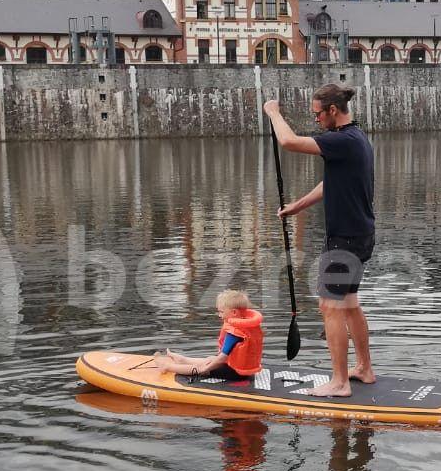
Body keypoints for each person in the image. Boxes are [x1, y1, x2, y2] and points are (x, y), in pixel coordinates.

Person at [262, 82, 375, 398]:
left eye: (317, 114)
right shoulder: (357, 139)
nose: (315, 120)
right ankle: (364, 369)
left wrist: (272, 112)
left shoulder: (343, 140)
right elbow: (332, 183)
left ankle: (339, 382)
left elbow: (287, 141)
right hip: (360, 234)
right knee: (349, 304)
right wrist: (296, 207)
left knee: (330, 306)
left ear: (333, 111)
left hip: (345, 239)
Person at [154, 289, 265, 381]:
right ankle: (183, 359)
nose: (219, 315)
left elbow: (222, 359)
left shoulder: (234, 333)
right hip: (241, 369)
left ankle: (168, 367)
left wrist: (205, 369)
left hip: (235, 373)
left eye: (221, 312)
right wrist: (212, 361)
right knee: (210, 358)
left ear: (234, 312)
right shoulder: (248, 326)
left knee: (202, 367)